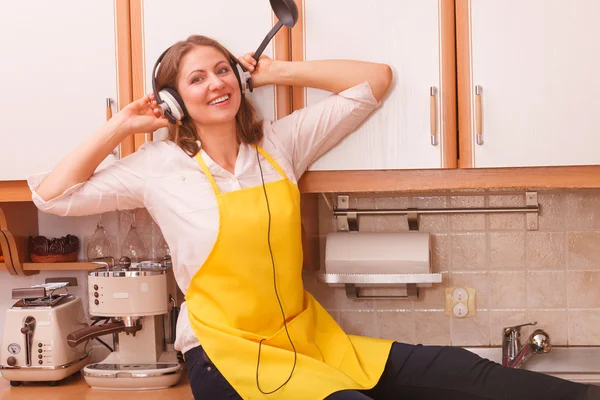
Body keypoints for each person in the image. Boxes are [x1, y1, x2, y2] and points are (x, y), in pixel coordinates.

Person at [29, 35, 599, 400]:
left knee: (463, 373)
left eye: (223, 70)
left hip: (307, 338)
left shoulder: (280, 144)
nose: (216, 83)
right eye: (196, 78)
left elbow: (374, 81)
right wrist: (120, 128)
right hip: (223, 358)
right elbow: (52, 196)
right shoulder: (155, 167)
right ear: (174, 102)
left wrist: (276, 72)